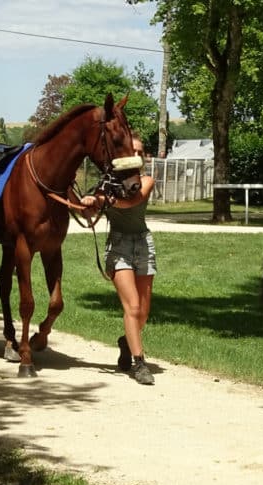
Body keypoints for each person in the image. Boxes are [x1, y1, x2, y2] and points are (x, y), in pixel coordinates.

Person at [81, 137, 158, 385]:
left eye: (139, 151)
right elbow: (92, 215)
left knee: (143, 313)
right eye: (130, 150)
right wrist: (90, 204)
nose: (135, 154)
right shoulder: (106, 187)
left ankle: (127, 341)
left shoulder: (146, 181)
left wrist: (103, 200)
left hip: (144, 244)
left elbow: (132, 201)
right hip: (119, 246)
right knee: (133, 307)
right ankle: (139, 363)